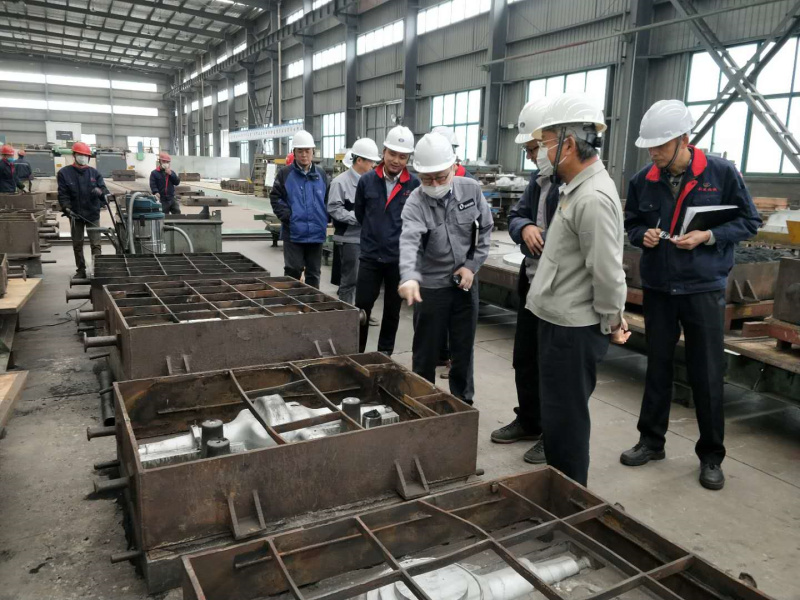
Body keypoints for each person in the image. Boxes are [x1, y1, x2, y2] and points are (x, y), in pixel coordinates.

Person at [620, 99, 761, 491]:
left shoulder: (721, 173)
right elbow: (632, 222)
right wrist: (642, 236)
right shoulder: (643, 180)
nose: (653, 153)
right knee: (657, 367)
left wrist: (709, 235)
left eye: (660, 145)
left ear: (684, 139)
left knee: (707, 372)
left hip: (703, 288)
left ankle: (711, 456)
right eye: (649, 146)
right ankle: (651, 442)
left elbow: (749, 220)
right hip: (660, 288)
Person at [526, 94, 629, 486]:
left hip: (572, 331)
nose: (541, 152)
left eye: (546, 143)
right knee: (556, 419)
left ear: (568, 145)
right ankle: (558, 494)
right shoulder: (575, 187)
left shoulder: (593, 197)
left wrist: (612, 322)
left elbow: (607, 273)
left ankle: (570, 504)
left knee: (566, 424)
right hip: (558, 321)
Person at [398, 133, 493, 405]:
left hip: (464, 286)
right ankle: (422, 403)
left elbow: (485, 229)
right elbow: (409, 242)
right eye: (427, 179)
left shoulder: (471, 190)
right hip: (430, 288)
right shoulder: (415, 202)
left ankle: (462, 404)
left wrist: (471, 266)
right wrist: (410, 277)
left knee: (463, 350)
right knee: (425, 352)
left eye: (441, 177)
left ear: (454, 166)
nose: (435, 184)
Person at [490, 98, 560, 465]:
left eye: (534, 148)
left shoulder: (577, 183)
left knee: (553, 367)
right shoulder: (539, 180)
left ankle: (554, 434)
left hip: (560, 292)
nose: (531, 157)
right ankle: (530, 420)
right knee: (526, 359)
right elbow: (517, 215)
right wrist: (526, 227)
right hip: (533, 283)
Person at [354, 125, 420, 354]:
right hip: (370, 257)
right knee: (361, 308)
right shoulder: (366, 181)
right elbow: (360, 214)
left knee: (392, 311)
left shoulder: (414, 186)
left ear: (408, 158)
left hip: (397, 259)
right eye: (392, 154)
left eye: (402, 156)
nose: (396, 160)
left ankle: (385, 355)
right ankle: (358, 353)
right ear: (384, 152)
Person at [270, 130, 329, 289]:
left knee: (314, 273)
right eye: (300, 151)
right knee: (293, 270)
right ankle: (291, 301)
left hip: (316, 233)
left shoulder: (321, 175)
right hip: (294, 233)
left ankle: (311, 302)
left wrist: (324, 218)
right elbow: (275, 197)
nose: (304, 155)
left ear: (312, 152)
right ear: (294, 152)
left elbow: (328, 199)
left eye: (307, 151)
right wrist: (289, 217)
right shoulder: (285, 174)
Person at [327, 138, 381, 305]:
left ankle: (360, 311)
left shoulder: (374, 182)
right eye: (371, 161)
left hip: (369, 239)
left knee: (366, 280)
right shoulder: (340, 182)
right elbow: (334, 209)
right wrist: (358, 218)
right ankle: (346, 313)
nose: (374, 165)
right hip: (349, 239)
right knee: (350, 280)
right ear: (359, 161)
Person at [57, 141, 109, 279]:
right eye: (80, 155)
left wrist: (101, 193)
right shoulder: (64, 173)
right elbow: (63, 193)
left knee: (96, 244)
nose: (83, 157)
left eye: (86, 155)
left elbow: (105, 192)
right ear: (74, 155)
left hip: (92, 214)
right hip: (75, 215)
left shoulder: (94, 173)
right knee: (77, 244)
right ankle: (81, 270)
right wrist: (67, 208)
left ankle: (97, 270)